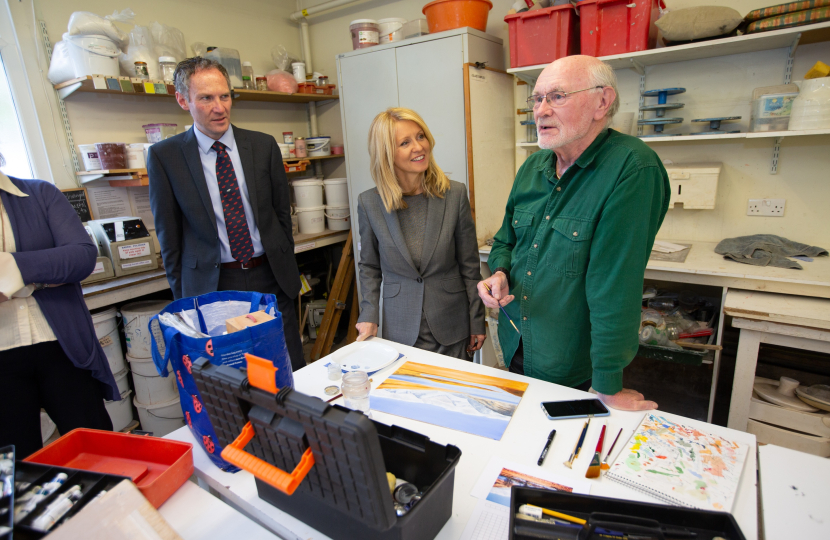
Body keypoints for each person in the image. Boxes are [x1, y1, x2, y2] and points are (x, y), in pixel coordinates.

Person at [478, 56, 670, 411]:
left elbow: (615, 285)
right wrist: (501, 272)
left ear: (602, 101)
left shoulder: (633, 168)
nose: (541, 110)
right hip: (516, 341)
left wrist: (608, 386)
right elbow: (506, 240)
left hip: (571, 363)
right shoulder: (533, 167)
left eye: (557, 97)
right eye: (537, 99)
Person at [148, 57, 304, 371]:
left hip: (269, 276)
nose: (219, 107)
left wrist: (283, 261)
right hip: (213, 284)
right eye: (206, 98)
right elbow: (170, 237)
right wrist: (185, 302)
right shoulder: (165, 156)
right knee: (231, 377)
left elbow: (280, 215)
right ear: (183, 100)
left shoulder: (262, 146)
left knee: (288, 367)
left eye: (224, 96)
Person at [0, 160, 116, 458]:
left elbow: (80, 257)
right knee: (17, 466)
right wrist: (44, 276)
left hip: (63, 346)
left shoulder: (39, 194)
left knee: (97, 447)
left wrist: (13, 271)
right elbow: (61, 263)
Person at [355, 108, 485, 360]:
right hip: (400, 328)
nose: (418, 147)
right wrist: (368, 315)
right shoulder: (370, 203)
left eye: (420, 136)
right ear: (386, 154)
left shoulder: (454, 194)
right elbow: (369, 267)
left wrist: (477, 319)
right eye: (405, 143)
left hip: (452, 327)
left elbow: (470, 266)